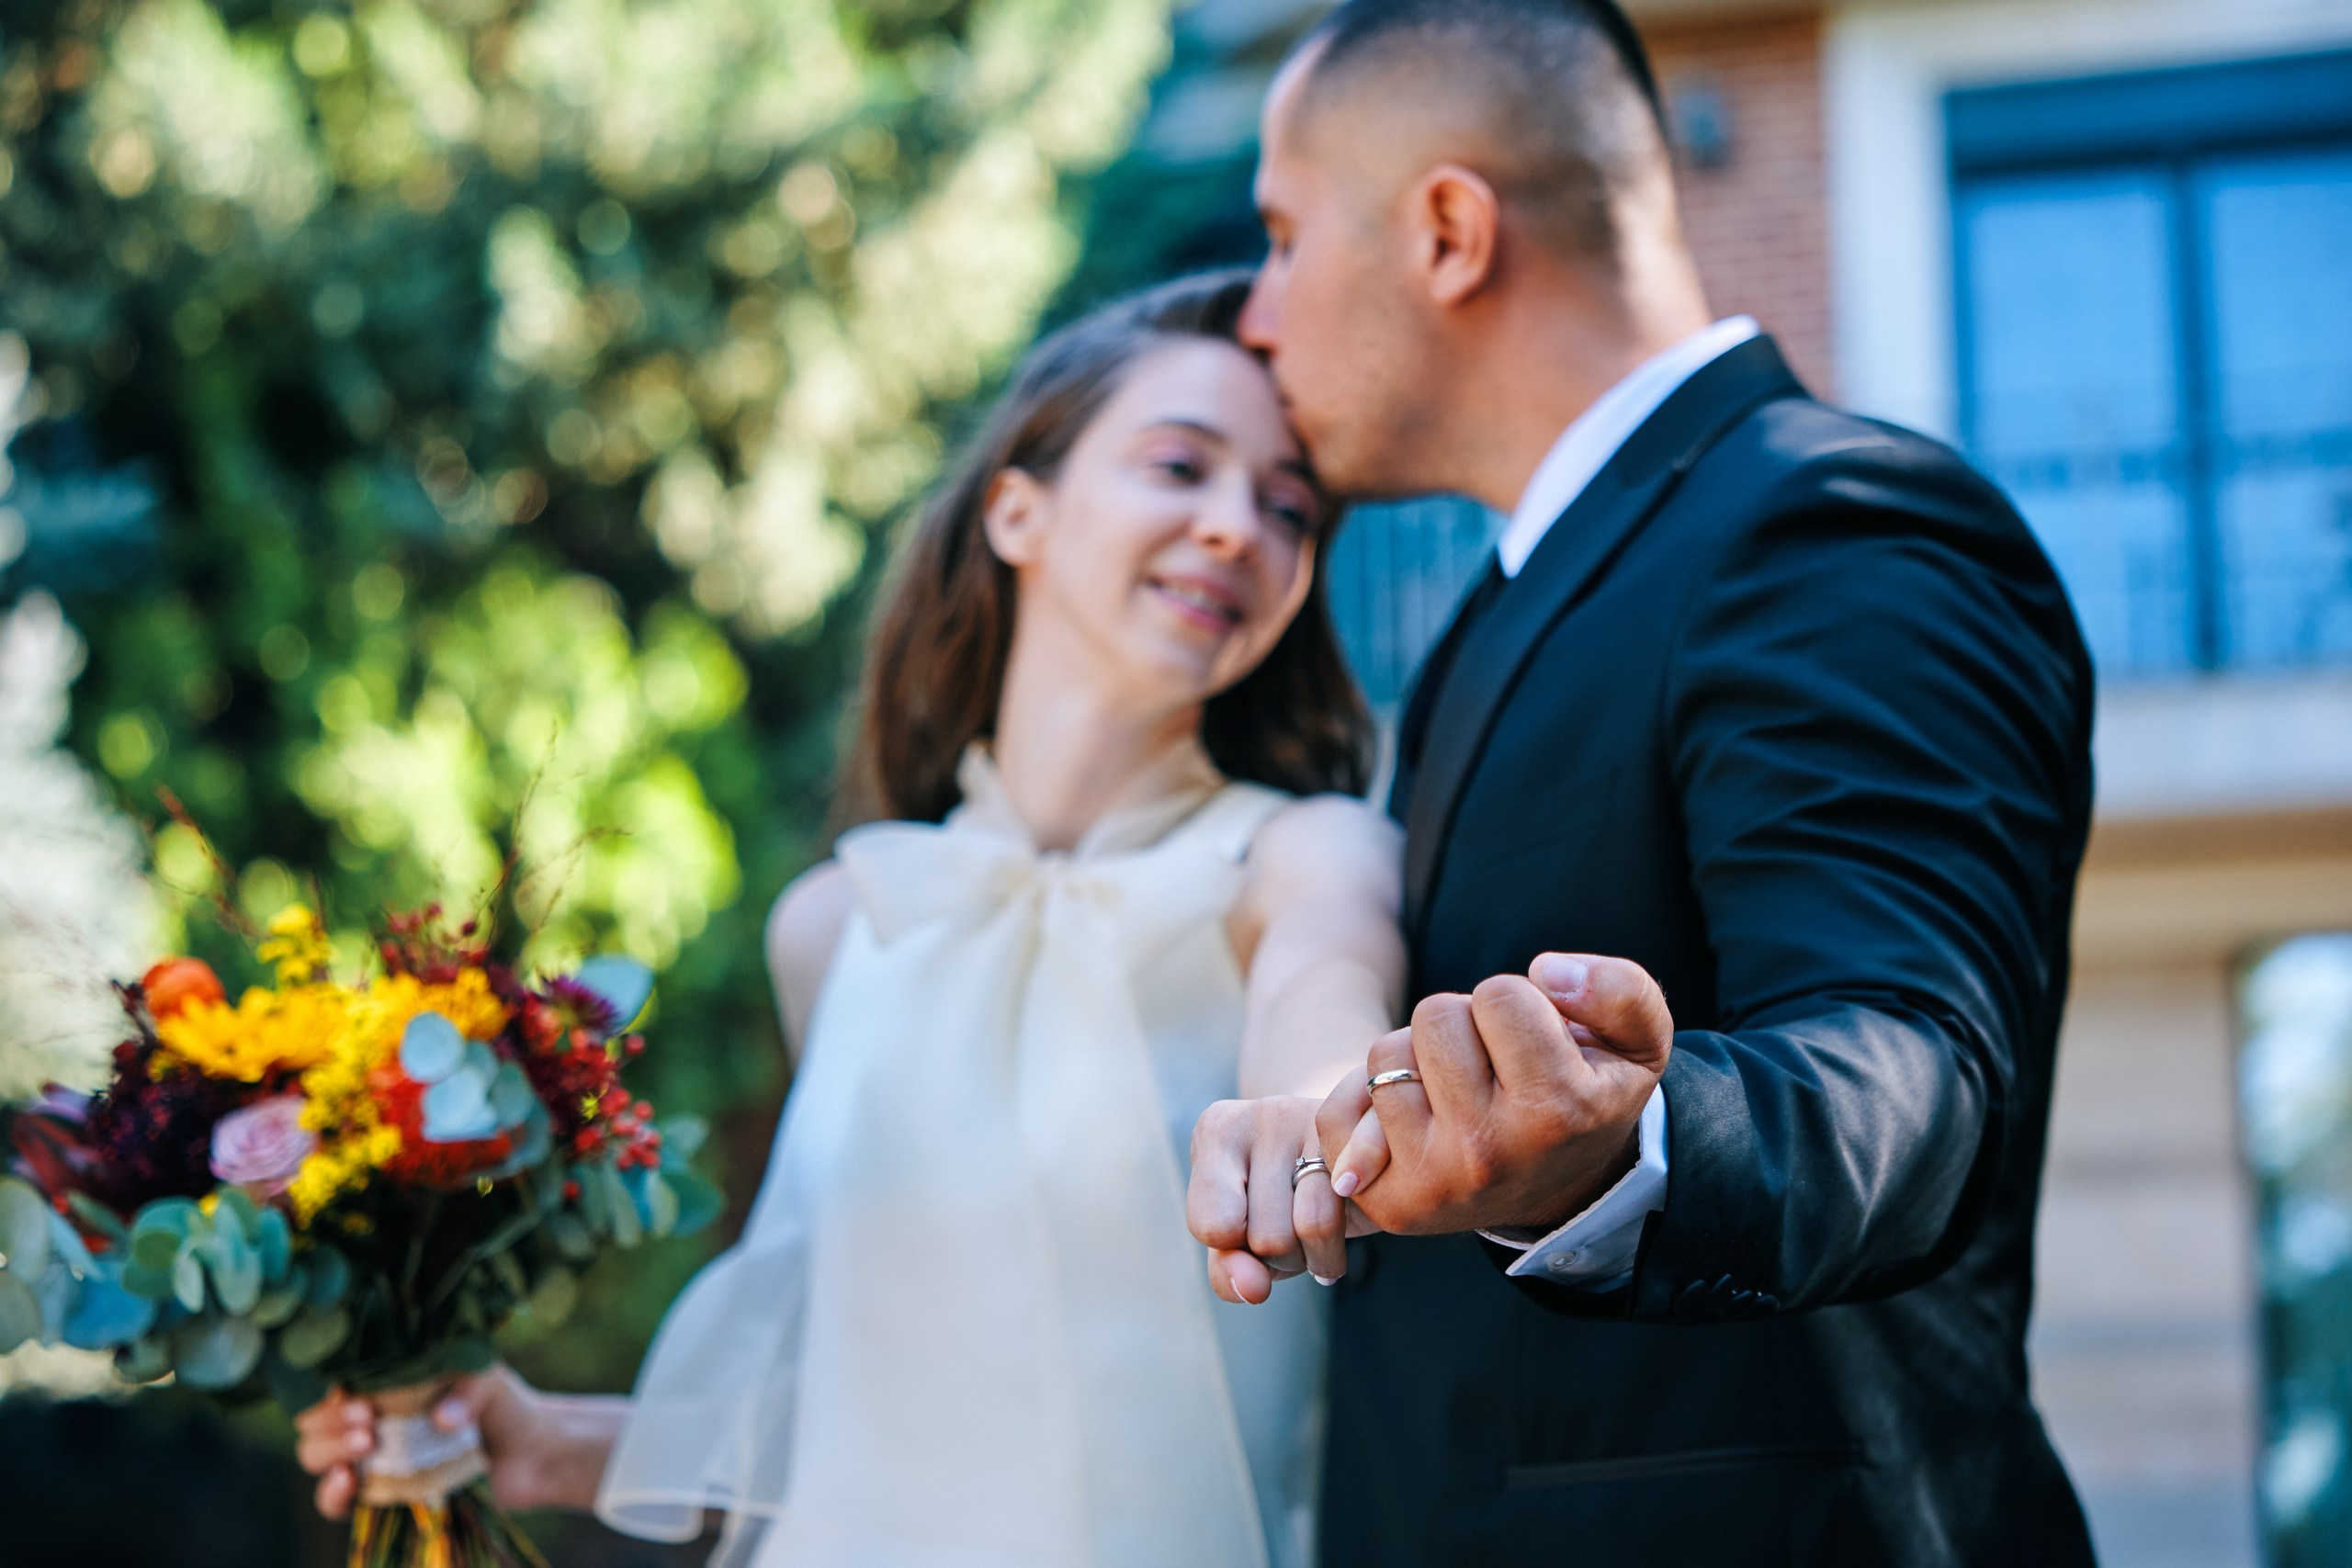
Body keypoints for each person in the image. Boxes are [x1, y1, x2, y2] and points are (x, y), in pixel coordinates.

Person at [296, 272, 1408, 1568]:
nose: (1238, 531)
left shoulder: (1299, 850)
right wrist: (539, 1440)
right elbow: (821, 1397)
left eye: (1288, 508)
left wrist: (1315, 1105)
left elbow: (1327, 986)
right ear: (1017, 510)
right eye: (1182, 467)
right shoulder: (842, 923)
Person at [1185, 2, 2099, 1564]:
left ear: (1450, 232)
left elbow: (1916, 1064)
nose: (1255, 319)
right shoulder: (1488, 617)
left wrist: (1637, 1144)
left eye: (1280, 239)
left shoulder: (1833, 520)